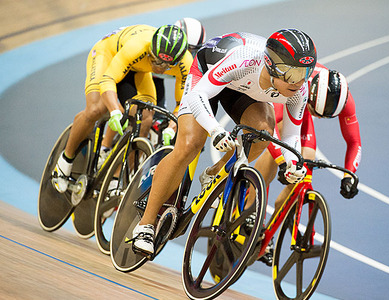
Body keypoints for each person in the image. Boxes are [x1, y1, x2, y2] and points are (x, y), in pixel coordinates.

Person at [131, 29, 318, 255]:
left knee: (263, 132)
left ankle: (214, 173)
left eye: (305, 72)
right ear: (271, 65)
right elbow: (198, 96)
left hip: (244, 90)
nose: (299, 81)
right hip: (208, 76)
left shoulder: (300, 90)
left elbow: (290, 135)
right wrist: (215, 130)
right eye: (291, 73)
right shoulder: (246, 61)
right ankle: (145, 225)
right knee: (190, 145)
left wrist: (292, 163)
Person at [52, 24, 192, 193]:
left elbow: (182, 103)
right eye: (156, 61)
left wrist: (172, 126)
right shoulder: (138, 46)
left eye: (166, 66)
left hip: (139, 68)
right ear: (152, 50)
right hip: (108, 55)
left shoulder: (186, 63)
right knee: (96, 109)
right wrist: (115, 110)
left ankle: (114, 179)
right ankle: (64, 161)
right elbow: (108, 79)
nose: (160, 68)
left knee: (146, 117)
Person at [252, 63, 362, 265]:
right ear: (310, 96)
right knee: (278, 140)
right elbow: (271, 130)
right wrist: (281, 161)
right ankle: (252, 203)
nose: (319, 117)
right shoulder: (296, 83)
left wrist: (349, 175)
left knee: (305, 163)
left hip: (303, 106)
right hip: (281, 98)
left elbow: (354, 142)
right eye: (316, 112)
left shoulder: (344, 99)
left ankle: (271, 227)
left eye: (326, 117)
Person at [96, 18, 207, 166]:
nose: (188, 53)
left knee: (156, 117)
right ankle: (105, 145)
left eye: (194, 50)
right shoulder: (159, 49)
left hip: (157, 76)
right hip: (148, 73)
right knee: (127, 108)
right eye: (187, 49)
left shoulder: (184, 61)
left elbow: (184, 98)